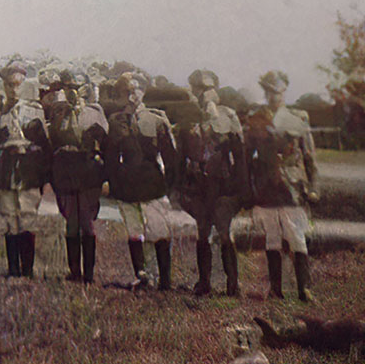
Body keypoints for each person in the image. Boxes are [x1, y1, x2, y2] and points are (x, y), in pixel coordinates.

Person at [244, 70, 319, 301]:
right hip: (266, 185)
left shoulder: (298, 117)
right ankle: (275, 290)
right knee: (272, 237)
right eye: (268, 90)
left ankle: (304, 289)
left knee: (296, 235)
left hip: (292, 185)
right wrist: (250, 187)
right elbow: (248, 157)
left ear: (285, 90)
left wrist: (313, 187)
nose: (273, 95)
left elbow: (309, 157)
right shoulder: (256, 117)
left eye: (277, 90)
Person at [174, 69, 248, 297]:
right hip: (198, 185)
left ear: (215, 90)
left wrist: (241, 188)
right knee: (202, 231)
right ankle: (204, 281)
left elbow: (240, 155)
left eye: (207, 89)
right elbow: (180, 156)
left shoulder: (228, 116)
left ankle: (232, 283)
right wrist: (178, 187)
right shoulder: (188, 119)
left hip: (223, 184)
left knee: (225, 232)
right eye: (198, 89)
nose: (203, 94)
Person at [104, 73, 179, 291]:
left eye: (136, 89)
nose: (131, 95)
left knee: (159, 231)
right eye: (126, 91)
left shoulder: (157, 120)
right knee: (134, 232)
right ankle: (142, 276)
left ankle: (165, 280)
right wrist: (114, 182)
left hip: (152, 185)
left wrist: (170, 185)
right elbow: (110, 157)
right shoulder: (116, 121)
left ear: (143, 91)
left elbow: (170, 157)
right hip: (126, 186)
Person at [0, 61, 51, 278]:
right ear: (3, 87)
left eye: (17, 85)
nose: (13, 90)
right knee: (10, 220)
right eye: (9, 85)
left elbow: (45, 147)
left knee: (27, 219)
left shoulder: (34, 110)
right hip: (5, 170)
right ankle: (13, 270)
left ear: (23, 85)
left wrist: (42, 176)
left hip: (28, 171)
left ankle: (27, 270)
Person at [47, 69, 108, 284]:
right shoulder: (58, 111)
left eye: (77, 87)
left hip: (88, 171)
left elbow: (106, 143)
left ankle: (89, 274)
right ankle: (74, 271)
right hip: (65, 170)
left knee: (87, 222)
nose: (73, 92)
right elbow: (53, 139)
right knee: (70, 221)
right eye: (68, 87)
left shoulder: (94, 111)